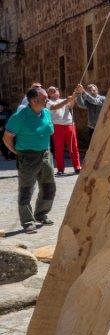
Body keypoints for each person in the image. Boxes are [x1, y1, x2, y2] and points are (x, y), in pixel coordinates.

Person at [3, 86, 61, 233]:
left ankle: (41, 214)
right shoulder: (19, 117)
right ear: (34, 100)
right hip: (27, 156)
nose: (48, 100)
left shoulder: (46, 112)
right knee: (26, 190)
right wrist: (17, 152)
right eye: (44, 98)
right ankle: (28, 221)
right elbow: (7, 138)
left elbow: (48, 132)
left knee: (49, 188)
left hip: (46, 154)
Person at [46, 85, 83, 175]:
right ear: (49, 94)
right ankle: (60, 169)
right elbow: (55, 107)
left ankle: (77, 166)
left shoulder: (63, 100)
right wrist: (68, 99)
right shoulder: (48, 102)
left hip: (69, 124)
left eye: (56, 90)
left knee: (73, 147)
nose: (55, 92)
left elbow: (71, 105)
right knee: (59, 148)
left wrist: (77, 93)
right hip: (57, 126)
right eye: (52, 91)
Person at [75, 83, 107, 148]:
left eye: (94, 90)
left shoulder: (102, 98)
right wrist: (79, 94)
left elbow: (95, 101)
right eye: (90, 91)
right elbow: (81, 105)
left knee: (103, 146)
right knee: (93, 146)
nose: (92, 92)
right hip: (92, 127)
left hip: (102, 126)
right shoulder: (88, 100)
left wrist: (83, 92)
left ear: (97, 91)